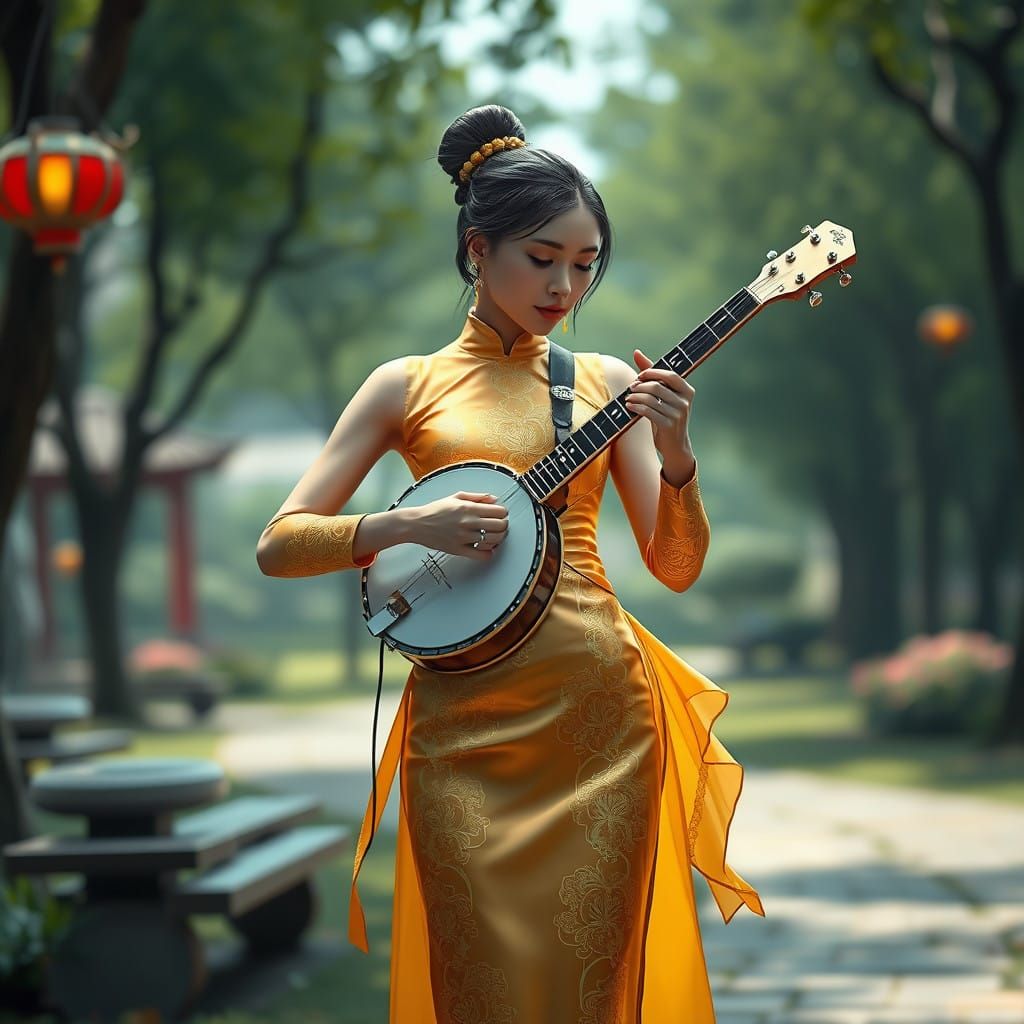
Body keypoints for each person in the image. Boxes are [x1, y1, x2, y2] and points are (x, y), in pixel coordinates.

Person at [256, 103, 764, 1023]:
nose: (565, 284)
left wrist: (678, 455)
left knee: (590, 994)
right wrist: (410, 527)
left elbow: (676, 564)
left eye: (585, 263)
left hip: (603, 725)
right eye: (543, 257)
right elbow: (279, 544)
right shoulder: (403, 386)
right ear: (477, 248)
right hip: (461, 730)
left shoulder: (605, 383)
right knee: (478, 991)